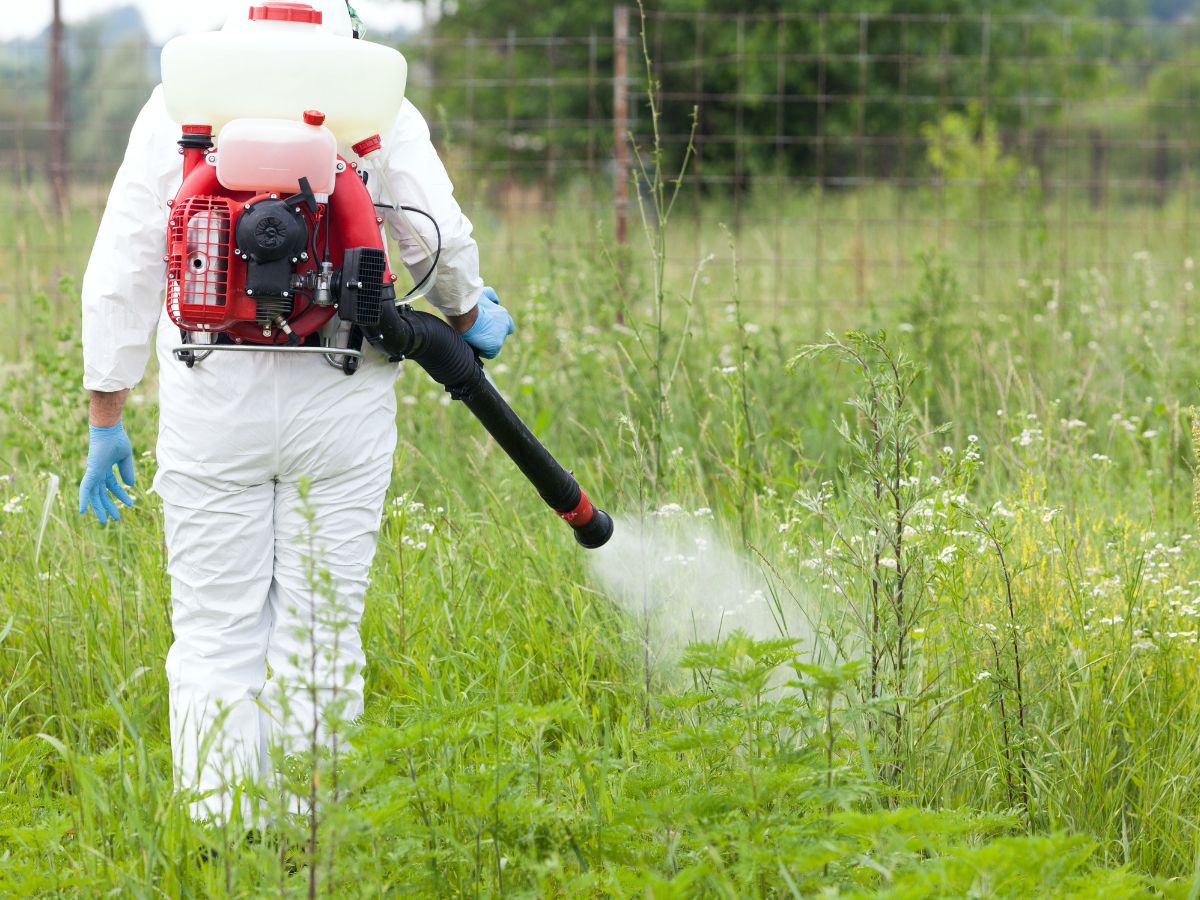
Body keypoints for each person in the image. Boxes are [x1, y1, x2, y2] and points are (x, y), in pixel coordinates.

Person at [77, 0, 513, 822]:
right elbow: (433, 239)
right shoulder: (372, 92)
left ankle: (221, 832)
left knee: (214, 631)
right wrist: (466, 314)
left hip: (215, 392)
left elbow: (125, 260)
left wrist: (108, 415)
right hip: (339, 386)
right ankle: (310, 841)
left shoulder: (184, 92)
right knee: (320, 633)